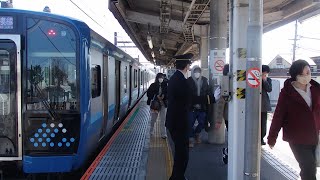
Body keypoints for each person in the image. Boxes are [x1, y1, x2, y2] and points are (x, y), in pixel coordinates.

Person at [267, 60, 320, 180]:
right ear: (296, 76)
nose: (307, 76)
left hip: (315, 136)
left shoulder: (315, 89)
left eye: (308, 72)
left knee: (312, 167)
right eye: (303, 74)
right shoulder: (287, 93)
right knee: (308, 167)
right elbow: (278, 116)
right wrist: (272, 138)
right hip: (297, 138)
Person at [165, 53, 192, 180]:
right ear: (187, 66)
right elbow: (189, 99)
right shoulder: (180, 80)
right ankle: (178, 178)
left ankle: (176, 177)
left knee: (180, 153)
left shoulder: (175, 78)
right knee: (182, 154)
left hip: (175, 122)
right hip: (179, 124)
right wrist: (211, 98)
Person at [187, 66, 220, 148]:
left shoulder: (205, 80)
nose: (197, 73)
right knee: (190, 124)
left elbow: (208, 91)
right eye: (195, 72)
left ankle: (197, 133)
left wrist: (211, 98)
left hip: (202, 106)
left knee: (202, 123)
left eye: (198, 72)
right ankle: (191, 139)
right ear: (192, 72)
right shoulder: (188, 81)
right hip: (191, 107)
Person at [147, 73, 168, 139]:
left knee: (163, 119)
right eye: (159, 77)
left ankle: (163, 134)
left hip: (163, 104)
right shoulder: (153, 85)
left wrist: (164, 96)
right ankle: (151, 131)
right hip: (155, 105)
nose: (161, 79)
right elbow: (149, 94)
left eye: (162, 77)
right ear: (157, 78)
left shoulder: (166, 85)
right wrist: (156, 96)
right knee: (153, 119)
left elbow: (169, 94)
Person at [261, 65, 272, 145]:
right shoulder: (254, 78)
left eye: (266, 73)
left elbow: (269, 89)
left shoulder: (268, 80)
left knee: (263, 123)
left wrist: (264, 80)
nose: (265, 74)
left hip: (264, 105)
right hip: (255, 106)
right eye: (264, 73)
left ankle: (261, 138)